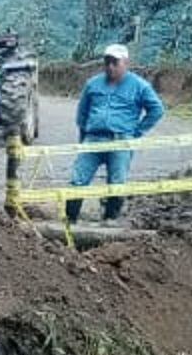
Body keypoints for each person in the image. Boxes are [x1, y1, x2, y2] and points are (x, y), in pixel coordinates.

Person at [67, 43, 167, 224]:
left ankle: (110, 220)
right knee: (78, 178)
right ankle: (70, 219)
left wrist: (137, 132)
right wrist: (83, 136)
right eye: (107, 62)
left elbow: (157, 110)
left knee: (117, 181)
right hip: (93, 139)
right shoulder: (93, 84)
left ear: (126, 63)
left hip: (121, 140)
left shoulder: (140, 86)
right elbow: (82, 113)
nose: (110, 67)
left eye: (115, 63)